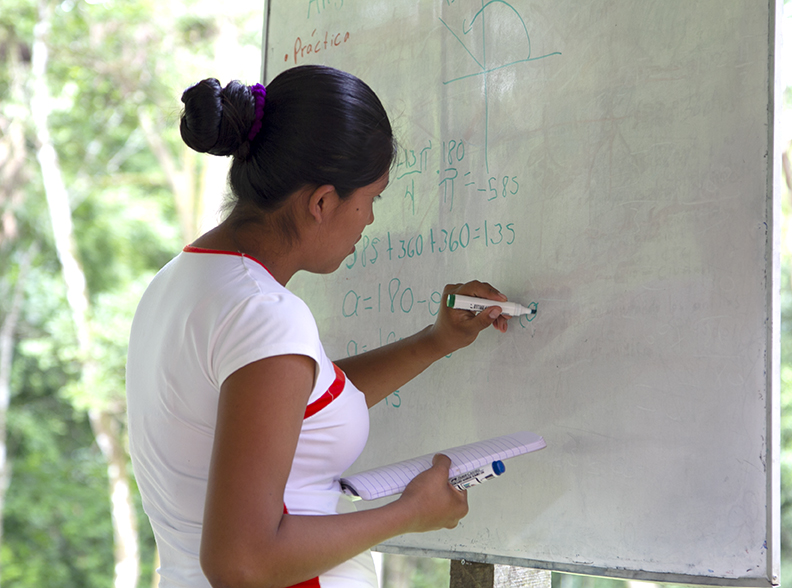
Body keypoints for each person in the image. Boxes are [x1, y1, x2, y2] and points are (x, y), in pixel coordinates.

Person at [125, 64, 510, 588]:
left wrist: (436, 341)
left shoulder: (185, 280)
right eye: (371, 199)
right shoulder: (263, 313)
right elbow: (242, 564)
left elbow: (298, 405)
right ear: (323, 202)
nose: (370, 220)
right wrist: (408, 513)